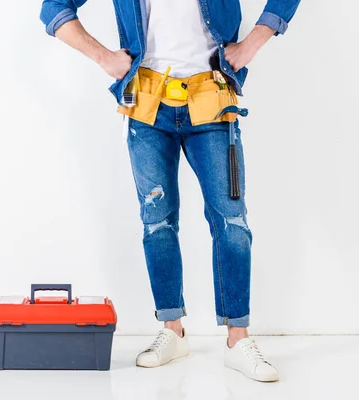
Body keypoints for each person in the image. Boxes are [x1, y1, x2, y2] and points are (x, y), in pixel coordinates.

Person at [40, 0, 300, 382]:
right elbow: (54, 9)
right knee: (157, 223)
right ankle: (171, 331)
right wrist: (105, 58)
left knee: (231, 221)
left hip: (212, 100)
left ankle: (237, 340)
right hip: (147, 106)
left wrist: (250, 46)